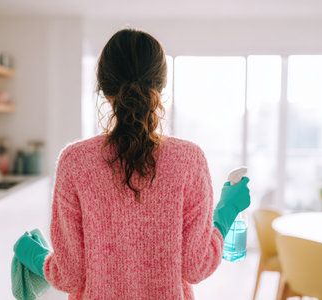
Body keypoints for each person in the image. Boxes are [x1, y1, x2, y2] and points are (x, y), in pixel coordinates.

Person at [14, 28, 250, 299]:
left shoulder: (75, 162)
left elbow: (69, 275)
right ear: (161, 86)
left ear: (103, 87)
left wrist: (35, 255)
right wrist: (226, 211)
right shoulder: (189, 159)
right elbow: (195, 267)